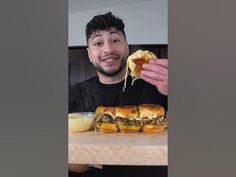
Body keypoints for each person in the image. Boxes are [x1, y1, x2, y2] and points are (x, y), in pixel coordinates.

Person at [69, 12, 168, 177]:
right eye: (98, 43)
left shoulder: (157, 85)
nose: (108, 49)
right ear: (89, 54)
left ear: (127, 47)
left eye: (115, 40)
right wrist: (91, 159)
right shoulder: (76, 93)